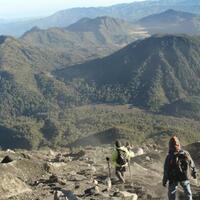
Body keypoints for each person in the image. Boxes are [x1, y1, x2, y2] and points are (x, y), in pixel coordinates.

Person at [162, 136, 197, 200]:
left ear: (170, 145)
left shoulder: (169, 156)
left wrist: (164, 181)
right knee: (187, 192)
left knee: (172, 192)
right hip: (184, 176)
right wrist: (194, 173)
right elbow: (192, 164)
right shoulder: (185, 153)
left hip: (173, 178)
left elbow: (166, 170)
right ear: (179, 144)